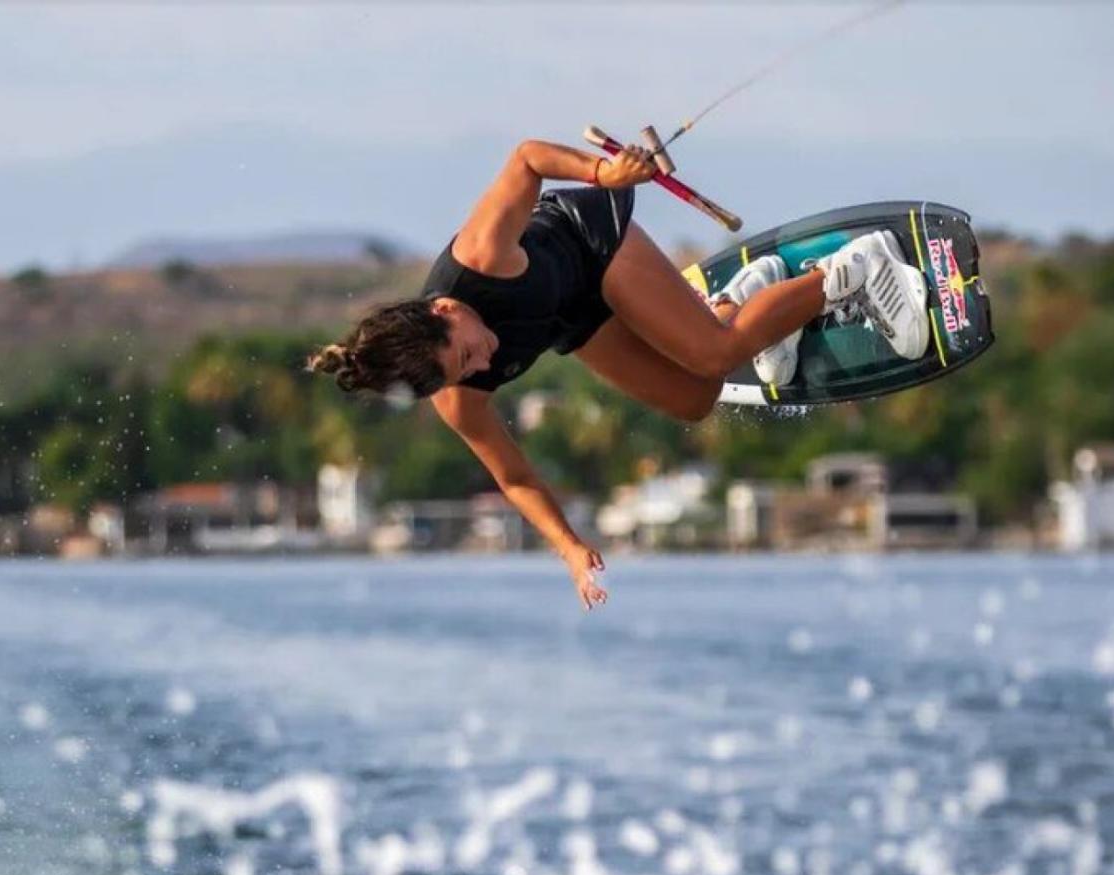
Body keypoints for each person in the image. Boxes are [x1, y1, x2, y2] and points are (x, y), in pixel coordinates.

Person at [308, 139, 930, 609]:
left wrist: (604, 174)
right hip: (569, 317)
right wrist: (570, 549)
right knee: (694, 397)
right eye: (465, 372)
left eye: (467, 352)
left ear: (444, 310)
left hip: (589, 246)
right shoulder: (457, 396)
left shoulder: (481, 256)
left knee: (714, 354)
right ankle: (750, 294)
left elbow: (526, 159)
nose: (483, 364)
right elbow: (516, 476)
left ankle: (855, 270)